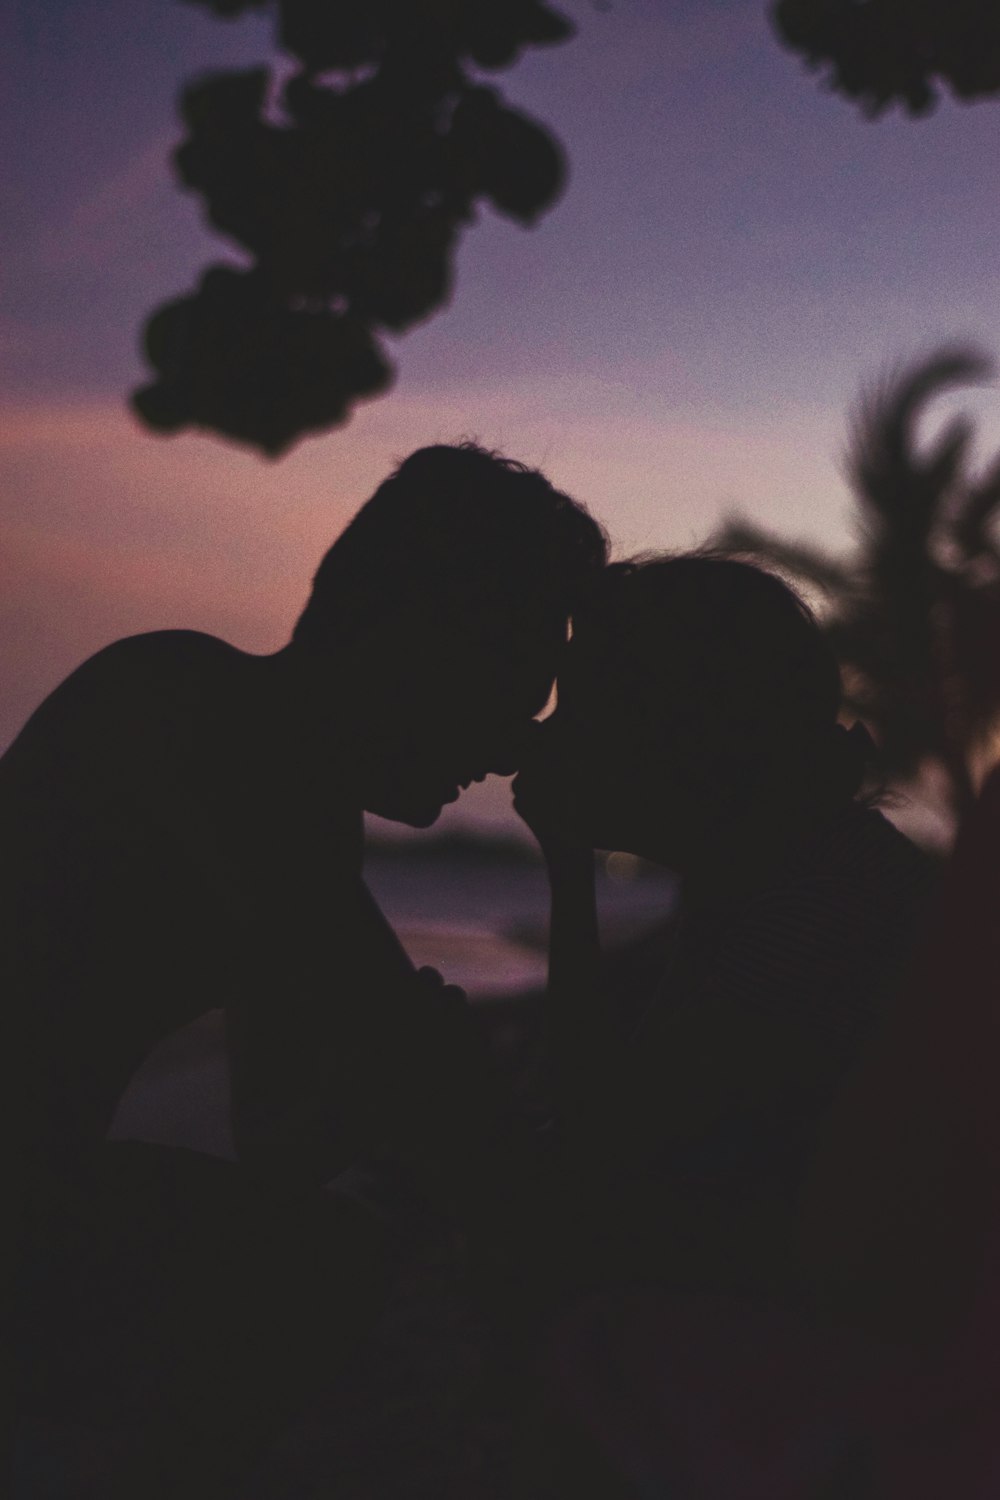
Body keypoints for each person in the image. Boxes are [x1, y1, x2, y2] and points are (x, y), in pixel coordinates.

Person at [0, 442, 607, 1494]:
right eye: (513, 681)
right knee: (320, 1264)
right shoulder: (198, 709)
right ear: (416, 634)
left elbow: (279, 1140)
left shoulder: (283, 792)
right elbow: (426, 1103)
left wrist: (563, 862)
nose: (514, 744)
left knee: (322, 1255)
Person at [507, 554, 937, 1495]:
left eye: (581, 708)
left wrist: (567, 865)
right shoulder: (785, 868)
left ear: (679, 728)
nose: (546, 737)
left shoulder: (818, 905)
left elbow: (602, 1136)